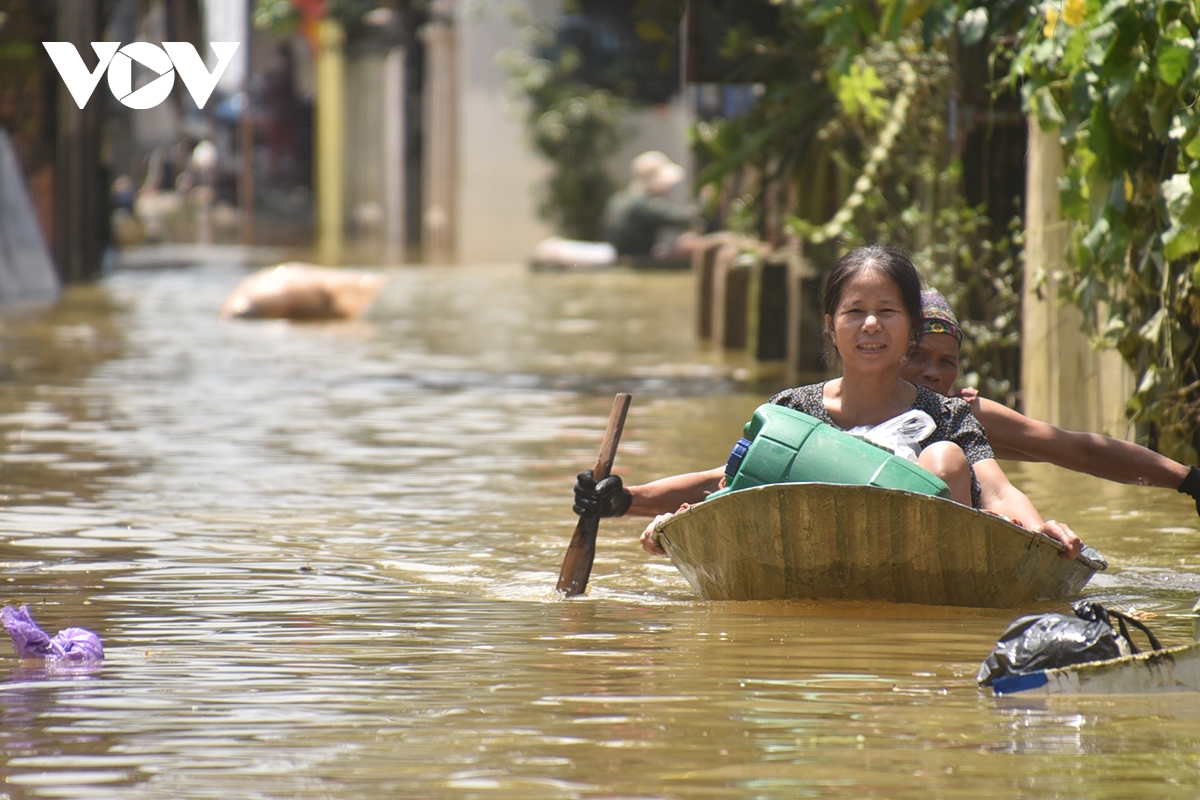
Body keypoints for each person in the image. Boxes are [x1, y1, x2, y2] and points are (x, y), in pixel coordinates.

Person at [575, 245, 1084, 558]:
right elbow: (728, 482)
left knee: (945, 459)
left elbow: (996, 492)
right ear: (830, 327)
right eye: (854, 311)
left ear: (910, 329)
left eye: (888, 311)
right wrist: (625, 501)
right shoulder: (792, 410)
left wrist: (1041, 530)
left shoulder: (945, 416)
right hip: (811, 556)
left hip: (925, 566)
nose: (870, 325)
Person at [904, 289, 1200, 518]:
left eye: (947, 362)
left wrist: (1189, 481)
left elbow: (1079, 450)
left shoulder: (960, 416)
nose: (933, 373)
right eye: (917, 355)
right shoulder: (858, 406)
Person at [601, 151, 699, 260]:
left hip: (623, 257)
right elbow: (682, 217)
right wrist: (706, 201)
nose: (668, 189)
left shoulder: (620, 198)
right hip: (634, 262)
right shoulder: (642, 203)